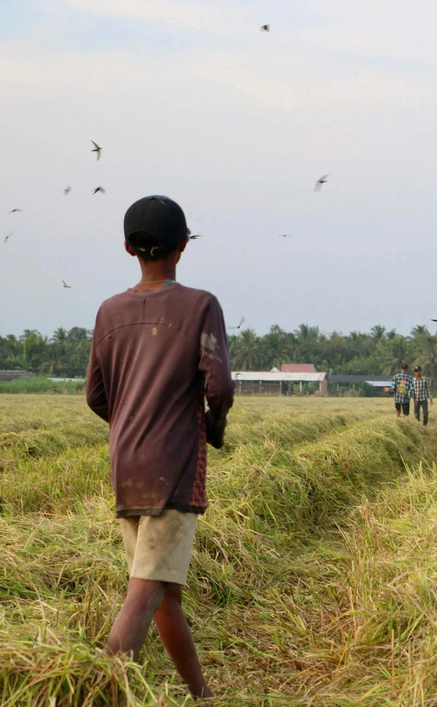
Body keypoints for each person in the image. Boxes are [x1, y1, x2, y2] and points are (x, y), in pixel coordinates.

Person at [85, 195, 234, 700]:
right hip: (173, 466)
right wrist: (214, 424)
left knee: (163, 591)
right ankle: (98, 691)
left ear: (129, 248)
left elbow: (96, 396)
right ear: (184, 246)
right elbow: (219, 384)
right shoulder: (200, 306)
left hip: (125, 465)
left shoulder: (109, 312)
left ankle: (201, 695)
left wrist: (132, 422)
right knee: (145, 591)